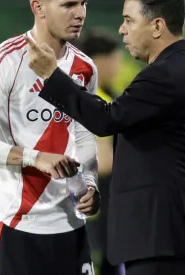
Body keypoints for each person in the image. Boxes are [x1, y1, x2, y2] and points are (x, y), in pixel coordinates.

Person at [24, 0, 185, 274]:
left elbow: (107, 118)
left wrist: (52, 75)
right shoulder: (183, 69)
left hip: (167, 239)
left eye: (129, 20)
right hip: (170, 237)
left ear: (157, 26)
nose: (121, 29)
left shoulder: (167, 75)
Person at [0, 0, 101, 274]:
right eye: (68, 4)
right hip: (15, 226)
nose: (80, 13)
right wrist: (35, 158)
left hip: (71, 225)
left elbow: (83, 134)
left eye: (83, 3)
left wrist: (90, 183)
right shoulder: (3, 61)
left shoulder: (85, 67)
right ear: (38, 7)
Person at [75, 28, 123, 275]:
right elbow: (104, 162)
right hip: (98, 202)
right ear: (99, 61)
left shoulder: (76, 94)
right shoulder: (98, 101)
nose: (119, 65)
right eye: (116, 59)